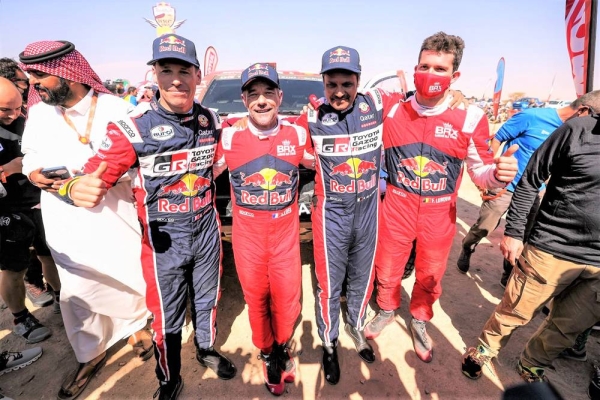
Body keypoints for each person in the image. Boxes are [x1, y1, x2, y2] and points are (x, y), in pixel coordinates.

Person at [63, 34, 236, 400]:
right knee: (167, 313)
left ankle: (205, 349)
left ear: (197, 75)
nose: (176, 79)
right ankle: (169, 377)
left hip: (206, 231)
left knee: (208, 298)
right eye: (166, 70)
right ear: (154, 75)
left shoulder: (211, 120)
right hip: (162, 241)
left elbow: (218, 166)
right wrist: (72, 188)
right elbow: (92, 174)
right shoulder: (133, 126)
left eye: (184, 70)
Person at [294, 45, 465, 384]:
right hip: (332, 215)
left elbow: (424, 99)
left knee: (361, 277)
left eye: (347, 82)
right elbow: (283, 143)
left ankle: (355, 326)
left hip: (370, 212)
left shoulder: (377, 103)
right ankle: (329, 343)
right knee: (329, 283)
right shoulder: (310, 117)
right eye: (332, 83)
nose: (339, 91)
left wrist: (454, 94)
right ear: (323, 82)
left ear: (359, 80)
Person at [364, 32, 518, 363]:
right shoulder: (392, 108)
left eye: (439, 69)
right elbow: (349, 97)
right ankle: (387, 308)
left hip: (439, 211)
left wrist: (498, 174)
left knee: (430, 272)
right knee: (388, 266)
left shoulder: (470, 117)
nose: (430, 74)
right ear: (414, 68)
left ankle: (420, 319)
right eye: (424, 66)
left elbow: (481, 172)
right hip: (396, 206)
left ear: (454, 76)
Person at [19, 40, 153, 400]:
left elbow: (139, 162)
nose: (34, 84)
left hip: (113, 215)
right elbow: (29, 155)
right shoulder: (39, 114)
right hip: (64, 220)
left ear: (67, 73)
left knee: (126, 276)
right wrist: (35, 176)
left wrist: (99, 180)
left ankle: (137, 328)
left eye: (40, 75)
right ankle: (89, 355)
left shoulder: (116, 108)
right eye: (30, 76)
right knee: (78, 291)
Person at [460, 91, 600, 383]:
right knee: (516, 309)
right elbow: (530, 178)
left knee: (569, 325)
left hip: (596, 264)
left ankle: (533, 362)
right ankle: (485, 349)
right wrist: (514, 232)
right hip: (552, 247)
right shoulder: (576, 129)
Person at [213, 63, 313, 396]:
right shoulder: (228, 133)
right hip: (248, 237)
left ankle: (283, 346)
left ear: (279, 96)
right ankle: (267, 351)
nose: (261, 101)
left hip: (285, 235)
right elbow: (201, 169)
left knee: (287, 299)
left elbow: (330, 154)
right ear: (243, 99)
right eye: (253, 94)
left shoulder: (298, 133)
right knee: (256, 299)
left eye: (268, 93)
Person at [457, 100, 588, 285]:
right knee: (485, 226)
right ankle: (468, 246)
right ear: (583, 110)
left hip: (533, 192)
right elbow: (497, 138)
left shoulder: (574, 131)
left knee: (521, 236)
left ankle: (508, 273)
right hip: (505, 187)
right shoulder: (531, 117)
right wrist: (489, 173)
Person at [0, 77, 57, 344]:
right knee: (13, 269)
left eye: (17, 108)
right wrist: (9, 167)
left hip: (40, 201)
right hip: (6, 211)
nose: (13, 115)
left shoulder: (27, 122)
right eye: (4, 110)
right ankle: (21, 318)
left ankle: (60, 299)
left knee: (50, 255)